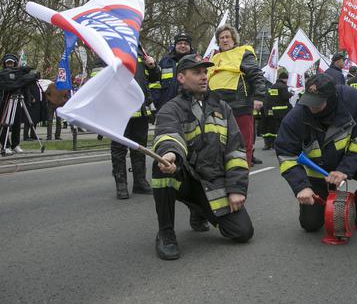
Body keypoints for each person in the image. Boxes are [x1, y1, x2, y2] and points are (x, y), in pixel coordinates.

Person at [151, 54, 253, 260]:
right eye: (197, 72)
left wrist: (236, 189)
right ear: (181, 78)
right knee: (160, 167)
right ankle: (166, 233)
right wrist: (171, 155)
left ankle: (199, 209)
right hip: (185, 177)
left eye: (205, 72)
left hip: (213, 182)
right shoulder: (170, 109)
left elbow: (236, 151)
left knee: (243, 232)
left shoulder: (223, 108)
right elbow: (169, 134)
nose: (204, 76)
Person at [274, 74, 357, 232]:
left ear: (331, 98)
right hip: (318, 173)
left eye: (317, 103)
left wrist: (345, 169)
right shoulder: (296, 116)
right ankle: (327, 200)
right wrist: (301, 186)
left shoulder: (352, 100)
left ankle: (355, 206)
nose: (311, 108)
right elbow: (286, 154)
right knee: (310, 224)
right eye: (309, 101)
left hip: (350, 162)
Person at [95, 47, 161, 199]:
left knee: (139, 147)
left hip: (140, 110)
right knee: (119, 149)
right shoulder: (108, 48)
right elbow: (97, 78)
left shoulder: (140, 52)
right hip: (119, 109)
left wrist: (153, 67)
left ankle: (140, 182)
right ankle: (121, 184)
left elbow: (153, 79)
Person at [208, 24, 266, 166]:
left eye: (228, 37)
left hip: (239, 104)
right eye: (221, 38)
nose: (225, 40)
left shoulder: (243, 53)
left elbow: (256, 74)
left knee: (242, 141)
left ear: (234, 39)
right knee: (219, 142)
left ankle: (240, 175)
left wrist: (258, 97)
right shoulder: (214, 58)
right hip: (216, 107)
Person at [0, 54, 38, 155]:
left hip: (17, 101)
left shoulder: (20, 74)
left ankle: (15, 145)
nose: (10, 65)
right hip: (4, 101)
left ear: (15, 63)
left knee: (16, 124)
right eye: (8, 63)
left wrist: (27, 99)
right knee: (4, 124)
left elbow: (25, 88)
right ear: (4, 64)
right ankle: (5, 145)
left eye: (11, 63)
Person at [150, 33, 194, 111]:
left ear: (190, 46)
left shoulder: (196, 61)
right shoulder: (164, 61)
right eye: (180, 43)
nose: (183, 45)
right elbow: (156, 83)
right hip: (166, 107)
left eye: (186, 44)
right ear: (175, 45)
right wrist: (154, 103)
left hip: (190, 108)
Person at [261, 71, 293, 150]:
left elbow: (270, 99)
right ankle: (279, 144)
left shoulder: (273, 86)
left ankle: (270, 144)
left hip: (273, 111)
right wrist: (291, 93)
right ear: (285, 79)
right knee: (280, 128)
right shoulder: (283, 86)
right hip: (282, 111)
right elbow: (285, 96)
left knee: (273, 128)